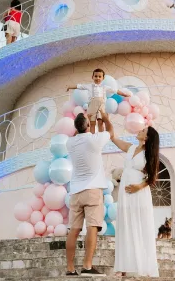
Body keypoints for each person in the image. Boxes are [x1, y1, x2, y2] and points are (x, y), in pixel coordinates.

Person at [112, 124, 162, 276]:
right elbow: (114, 139)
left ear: (146, 138)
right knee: (125, 224)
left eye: (143, 131)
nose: (139, 130)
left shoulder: (149, 154)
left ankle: (143, 265)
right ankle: (123, 267)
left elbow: (152, 177)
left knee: (139, 225)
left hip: (139, 194)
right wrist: (107, 125)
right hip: (125, 193)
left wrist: (139, 187)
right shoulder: (132, 148)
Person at [65, 112, 112, 276]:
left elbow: (77, 133)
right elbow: (110, 133)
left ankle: (70, 268)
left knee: (74, 230)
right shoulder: (94, 140)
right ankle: (87, 266)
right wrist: (103, 119)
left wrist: (85, 121)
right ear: (87, 126)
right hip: (92, 191)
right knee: (92, 227)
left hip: (75, 192)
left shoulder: (70, 143)